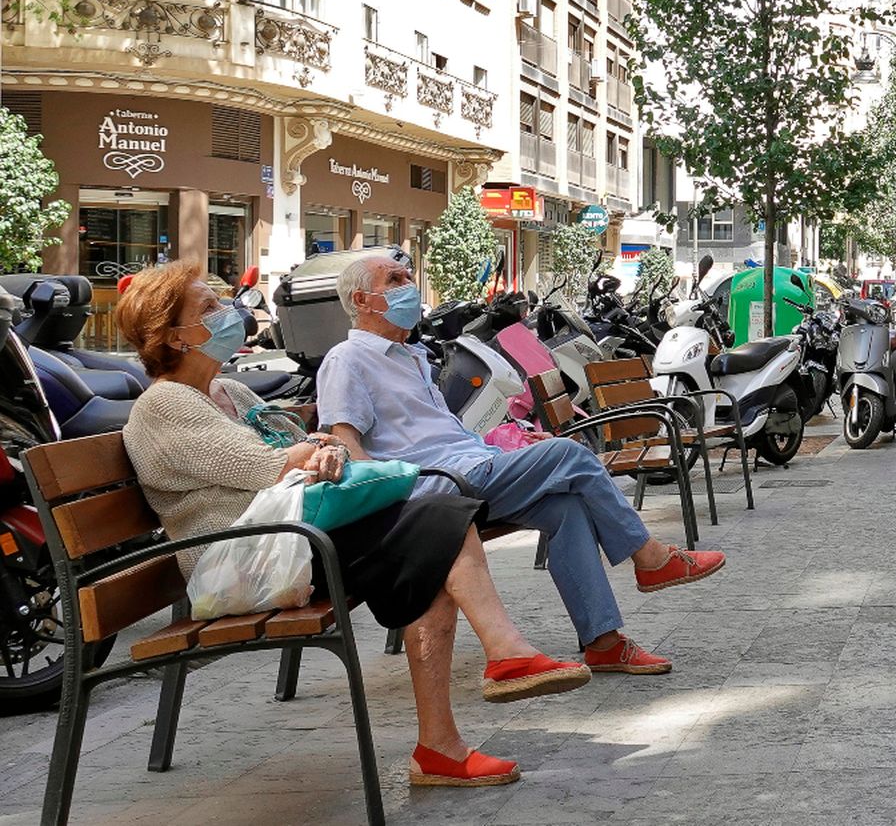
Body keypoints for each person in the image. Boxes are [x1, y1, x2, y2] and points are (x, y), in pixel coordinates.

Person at [118, 263, 588, 789]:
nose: (229, 313)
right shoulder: (165, 404)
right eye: (208, 309)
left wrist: (315, 449)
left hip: (287, 541)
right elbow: (264, 465)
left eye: (221, 302)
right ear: (174, 337)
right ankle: (492, 672)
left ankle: (456, 726)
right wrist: (312, 451)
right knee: (436, 520)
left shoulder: (230, 391)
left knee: (435, 529)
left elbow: (307, 442)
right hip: (244, 562)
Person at [318, 256, 726, 675]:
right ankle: (651, 557)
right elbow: (345, 443)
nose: (408, 285)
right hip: (434, 489)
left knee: (566, 507)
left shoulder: (411, 355)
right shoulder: (347, 359)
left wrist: (505, 444)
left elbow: (443, 433)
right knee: (569, 455)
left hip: (472, 468)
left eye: (407, 276)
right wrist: (393, 504)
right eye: (395, 280)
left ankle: (603, 642)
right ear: (362, 300)